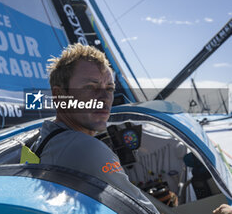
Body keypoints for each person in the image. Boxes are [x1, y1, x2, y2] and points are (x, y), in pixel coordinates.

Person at [31, 43, 159, 213]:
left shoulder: (46, 140)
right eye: (90, 87)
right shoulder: (85, 149)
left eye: (110, 88)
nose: (105, 98)